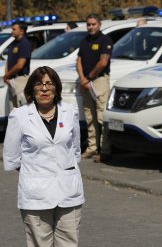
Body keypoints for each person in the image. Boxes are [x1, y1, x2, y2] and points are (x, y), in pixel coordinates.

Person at [3, 66, 84, 247]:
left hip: (68, 191)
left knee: (69, 243)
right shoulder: (20, 116)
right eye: (39, 84)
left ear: (56, 88)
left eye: (49, 83)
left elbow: (75, 150)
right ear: (32, 88)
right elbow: (12, 156)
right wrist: (36, 173)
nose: (45, 88)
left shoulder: (70, 111)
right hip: (36, 195)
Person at [77, 13, 113, 163]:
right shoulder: (84, 41)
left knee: (101, 117)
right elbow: (78, 61)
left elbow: (103, 62)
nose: (91, 27)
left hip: (99, 81)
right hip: (86, 83)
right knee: (89, 117)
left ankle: (105, 150)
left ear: (100, 24)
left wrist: (89, 77)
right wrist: (83, 79)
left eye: (93, 24)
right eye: (89, 24)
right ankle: (92, 148)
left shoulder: (105, 40)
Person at [4, 21, 32, 110]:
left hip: (20, 80)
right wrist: (7, 77)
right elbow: (8, 61)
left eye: (14, 29)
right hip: (11, 79)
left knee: (22, 108)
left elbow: (20, 65)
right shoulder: (13, 43)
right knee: (13, 109)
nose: (12, 31)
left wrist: (7, 75)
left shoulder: (24, 43)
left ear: (22, 31)